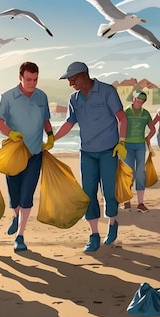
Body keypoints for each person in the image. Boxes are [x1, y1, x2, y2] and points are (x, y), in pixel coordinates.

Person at [54, 62, 127, 252]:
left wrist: (122, 142)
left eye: (72, 79)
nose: (70, 83)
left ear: (83, 75)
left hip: (109, 150)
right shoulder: (74, 99)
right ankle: (94, 235)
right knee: (88, 193)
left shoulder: (107, 91)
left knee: (109, 192)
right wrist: (52, 139)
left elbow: (122, 117)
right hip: (87, 152)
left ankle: (112, 223)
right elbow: (69, 123)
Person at [0, 62, 53, 252]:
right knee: (15, 194)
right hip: (13, 153)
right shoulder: (7, 96)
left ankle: (20, 235)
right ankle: (15, 215)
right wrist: (10, 133)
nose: (32, 83)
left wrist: (50, 135)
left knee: (27, 195)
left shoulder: (41, 96)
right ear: (20, 77)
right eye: (28, 79)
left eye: (35, 79)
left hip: (35, 153)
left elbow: (45, 120)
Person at [122, 91, 156, 213]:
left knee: (141, 173)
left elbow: (153, 129)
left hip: (140, 145)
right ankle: (127, 200)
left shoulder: (146, 113)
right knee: (128, 172)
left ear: (143, 102)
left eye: (141, 101)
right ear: (133, 99)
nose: (138, 102)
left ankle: (141, 203)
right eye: (137, 100)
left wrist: (148, 138)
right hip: (127, 145)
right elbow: (119, 126)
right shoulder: (126, 112)